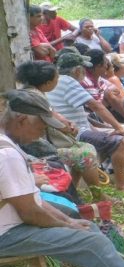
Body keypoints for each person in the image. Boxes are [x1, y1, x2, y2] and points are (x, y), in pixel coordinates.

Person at [0, 91, 124, 267]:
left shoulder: (10, 145)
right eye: (41, 126)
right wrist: (67, 225)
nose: (42, 132)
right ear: (21, 120)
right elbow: (29, 212)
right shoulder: (7, 154)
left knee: (87, 226)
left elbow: (35, 200)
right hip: (7, 235)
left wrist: (69, 221)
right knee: (93, 243)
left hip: (11, 227)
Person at [46, 50, 124, 191]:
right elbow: (96, 106)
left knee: (118, 138)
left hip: (78, 129)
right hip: (75, 134)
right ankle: (122, 184)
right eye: (83, 69)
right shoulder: (68, 81)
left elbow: (82, 115)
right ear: (76, 70)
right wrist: (117, 127)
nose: (85, 71)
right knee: (119, 141)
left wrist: (110, 127)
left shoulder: (59, 81)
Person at [14, 62, 108, 193]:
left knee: (81, 149)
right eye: (56, 79)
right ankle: (98, 195)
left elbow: (53, 114)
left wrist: (67, 124)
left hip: (33, 144)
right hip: (37, 149)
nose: (58, 81)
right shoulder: (35, 97)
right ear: (47, 83)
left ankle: (74, 190)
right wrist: (68, 128)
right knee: (86, 154)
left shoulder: (29, 92)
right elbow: (52, 121)